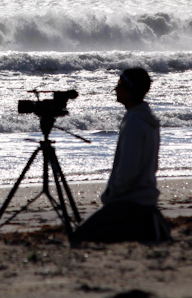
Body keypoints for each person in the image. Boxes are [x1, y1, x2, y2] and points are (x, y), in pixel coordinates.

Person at [71, 68, 171, 243]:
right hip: (145, 200)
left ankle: (141, 228)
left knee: (80, 237)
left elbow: (128, 169)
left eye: (119, 86)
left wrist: (113, 193)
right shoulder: (146, 118)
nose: (115, 90)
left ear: (129, 90)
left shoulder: (135, 123)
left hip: (129, 202)